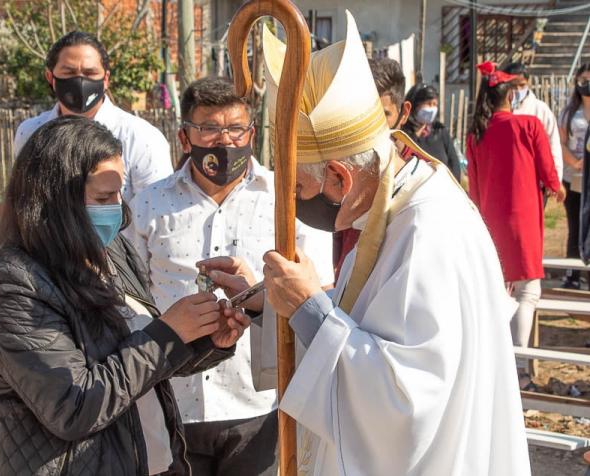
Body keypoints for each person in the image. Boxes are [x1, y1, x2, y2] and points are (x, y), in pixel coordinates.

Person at [201, 12, 530, 474]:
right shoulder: (394, 204)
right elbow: (362, 315)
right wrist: (265, 303)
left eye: (298, 189)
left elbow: (403, 401)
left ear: (339, 176)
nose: (294, 203)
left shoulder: (427, 230)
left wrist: (307, 308)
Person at [0, 116, 250, 475]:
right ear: (56, 199)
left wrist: (206, 340)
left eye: (120, 192)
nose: (118, 208)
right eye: (104, 197)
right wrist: (168, 333)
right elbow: (73, 405)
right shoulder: (15, 283)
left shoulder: (112, 250)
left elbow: (138, 364)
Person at [129, 77, 333, 476]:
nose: (223, 141)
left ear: (251, 135)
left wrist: (260, 294)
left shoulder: (288, 201)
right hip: (173, 400)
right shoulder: (148, 205)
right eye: (209, 128)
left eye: (234, 129)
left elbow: (320, 292)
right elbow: (129, 299)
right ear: (185, 137)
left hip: (258, 407)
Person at [466, 61, 564, 388]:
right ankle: (519, 366)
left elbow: (475, 189)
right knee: (528, 291)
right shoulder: (529, 126)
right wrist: (557, 188)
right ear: (510, 96)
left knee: (499, 291)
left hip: (490, 220)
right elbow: (549, 173)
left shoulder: (475, 134)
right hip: (522, 217)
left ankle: (498, 364)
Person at [13, 31, 173, 205]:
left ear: (105, 79)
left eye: (90, 73)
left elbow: (158, 216)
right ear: (50, 77)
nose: (80, 81)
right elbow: (22, 201)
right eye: (69, 72)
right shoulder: (30, 133)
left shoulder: (142, 138)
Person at [329, 57, 412, 278]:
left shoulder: (417, 177)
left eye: (383, 115)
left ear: (404, 113)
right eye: (365, 114)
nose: (371, 126)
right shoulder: (345, 167)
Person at [503, 61, 563, 182]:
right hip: (505, 176)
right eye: (513, 86)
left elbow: (553, 145)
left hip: (534, 178)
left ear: (528, 83)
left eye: (522, 85)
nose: (518, 89)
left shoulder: (541, 110)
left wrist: (555, 178)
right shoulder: (497, 110)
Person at [559, 63, 590, 289]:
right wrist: (575, 162)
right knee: (575, 226)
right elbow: (560, 142)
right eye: (583, 80)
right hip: (574, 176)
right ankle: (572, 274)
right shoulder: (570, 112)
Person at [402, 83, 462, 180]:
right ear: (414, 105)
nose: (432, 109)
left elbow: (454, 164)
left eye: (435, 105)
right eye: (429, 104)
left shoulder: (440, 132)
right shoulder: (403, 135)